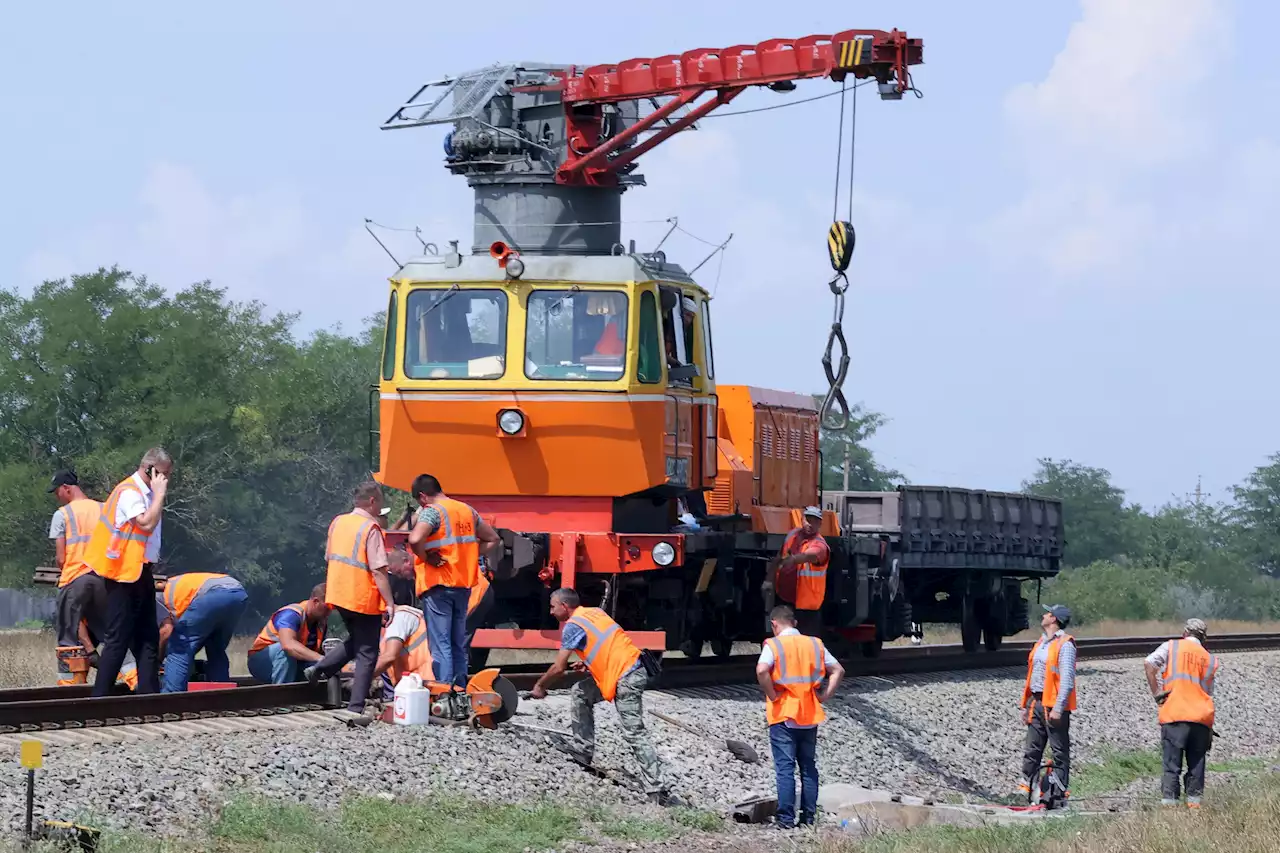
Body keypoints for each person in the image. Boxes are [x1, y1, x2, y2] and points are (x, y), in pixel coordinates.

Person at [528, 588, 682, 807]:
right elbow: (607, 643)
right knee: (581, 692)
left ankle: (658, 788)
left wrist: (540, 686)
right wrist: (588, 660)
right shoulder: (594, 613)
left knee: (634, 732)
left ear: (564, 606)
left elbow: (559, 667)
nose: (551, 612)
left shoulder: (573, 625)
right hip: (628, 669)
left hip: (626, 676)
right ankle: (583, 749)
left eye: (553, 607)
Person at [82, 447, 172, 696]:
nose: (165, 480)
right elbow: (145, 522)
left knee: (148, 637)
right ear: (150, 470)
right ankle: (99, 698)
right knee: (118, 638)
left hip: (140, 571)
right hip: (122, 574)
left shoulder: (145, 493)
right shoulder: (129, 492)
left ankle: (148, 695)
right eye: (163, 475)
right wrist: (160, 494)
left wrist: (156, 494)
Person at [307, 481, 397, 714]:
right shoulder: (371, 528)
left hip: (338, 593)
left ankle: (322, 668)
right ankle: (355, 707)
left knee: (358, 640)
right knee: (368, 652)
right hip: (363, 596)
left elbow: (329, 556)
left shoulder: (338, 522)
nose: (380, 509)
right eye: (380, 504)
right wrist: (389, 602)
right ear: (372, 501)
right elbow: (378, 570)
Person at [756, 604, 845, 829]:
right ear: (794, 623)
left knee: (785, 768)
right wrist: (825, 695)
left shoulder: (773, 645)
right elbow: (838, 670)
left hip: (784, 713)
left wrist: (771, 693)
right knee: (808, 767)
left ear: (774, 624)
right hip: (809, 713)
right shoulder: (815, 644)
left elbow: (761, 670)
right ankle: (808, 818)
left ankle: (785, 819)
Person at [407, 474, 500, 688]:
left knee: (441, 645)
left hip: (438, 585)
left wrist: (426, 557)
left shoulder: (433, 512)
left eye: (419, 501)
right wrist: (468, 556)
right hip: (463, 586)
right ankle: (459, 691)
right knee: (458, 644)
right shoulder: (468, 511)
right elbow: (493, 538)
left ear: (423, 496)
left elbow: (414, 539)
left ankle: (445, 693)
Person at [1145, 618, 1219, 808]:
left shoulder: (1172, 647)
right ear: (1204, 639)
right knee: (1196, 766)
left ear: (1185, 633)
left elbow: (1149, 663)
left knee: (1172, 766)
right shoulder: (1210, 659)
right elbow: (1208, 692)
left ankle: (1170, 809)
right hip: (1201, 718)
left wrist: (1157, 693)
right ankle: (1194, 808)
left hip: (1175, 714)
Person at [47, 469, 106, 685]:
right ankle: (132, 679)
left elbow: (61, 558)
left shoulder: (62, 514)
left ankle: (71, 686)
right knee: (111, 632)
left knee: (67, 637)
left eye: (57, 492)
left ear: (66, 488)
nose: (57, 497)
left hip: (74, 578)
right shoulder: (104, 509)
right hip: (103, 580)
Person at [1019, 604, 1077, 802]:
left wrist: (1059, 708)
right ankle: (1026, 789)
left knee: (1059, 750)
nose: (1043, 615)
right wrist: (1025, 705)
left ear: (1054, 619)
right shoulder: (1041, 643)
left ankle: (1058, 792)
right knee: (1032, 748)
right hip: (1036, 702)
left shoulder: (1065, 644)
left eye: (1047, 613)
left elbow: (1067, 680)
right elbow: (1032, 676)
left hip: (1053, 705)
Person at [158, 572, 249, 691]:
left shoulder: (152, 598)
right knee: (215, 646)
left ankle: (170, 697)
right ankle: (222, 693)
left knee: (178, 647)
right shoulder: (171, 587)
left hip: (213, 593)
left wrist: (158, 659)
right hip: (238, 593)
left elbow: (166, 630)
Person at [247, 584, 331, 684]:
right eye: (327, 608)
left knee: (321, 669)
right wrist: (321, 659)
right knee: (284, 650)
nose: (329, 612)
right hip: (262, 662)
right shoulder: (291, 614)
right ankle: (281, 696)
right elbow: (288, 645)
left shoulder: (320, 624)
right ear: (316, 602)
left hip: (294, 663)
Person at [766, 507, 830, 636]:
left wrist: (794, 559)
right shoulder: (792, 535)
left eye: (814, 521)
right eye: (808, 519)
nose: (809, 524)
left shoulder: (820, 545)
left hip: (806, 608)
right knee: (783, 640)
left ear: (819, 524)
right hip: (785, 599)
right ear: (802, 519)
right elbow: (779, 557)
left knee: (806, 642)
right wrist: (768, 580)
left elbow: (809, 556)